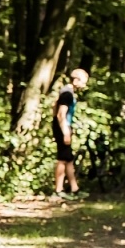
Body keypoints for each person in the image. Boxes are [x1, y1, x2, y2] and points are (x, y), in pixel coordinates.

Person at [52, 68, 90, 197]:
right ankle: (58, 190)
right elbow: (60, 114)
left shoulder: (67, 92)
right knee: (63, 158)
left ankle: (74, 188)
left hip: (64, 127)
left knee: (68, 158)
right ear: (76, 80)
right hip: (62, 128)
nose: (84, 85)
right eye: (84, 82)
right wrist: (65, 132)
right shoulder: (67, 94)